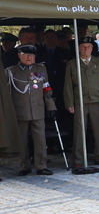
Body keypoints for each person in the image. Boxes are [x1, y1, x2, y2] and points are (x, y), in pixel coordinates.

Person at [64, 37, 99, 167]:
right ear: (79, 48)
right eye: (83, 46)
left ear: (92, 48)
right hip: (80, 101)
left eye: (88, 46)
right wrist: (69, 103)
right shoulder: (72, 64)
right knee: (79, 131)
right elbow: (68, 86)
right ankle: (78, 159)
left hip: (98, 100)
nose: (86, 49)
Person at [6, 45, 56, 175]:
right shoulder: (11, 72)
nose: (29, 57)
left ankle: (41, 165)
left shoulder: (41, 69)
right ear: (19, 55)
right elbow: (8, 93)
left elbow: (47, 88)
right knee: (22, 140)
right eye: (26, 55)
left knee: (40, 138)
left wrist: (51, 106)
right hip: (20, 110)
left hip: (37, 109)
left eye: (32, 55)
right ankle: (25, 166)